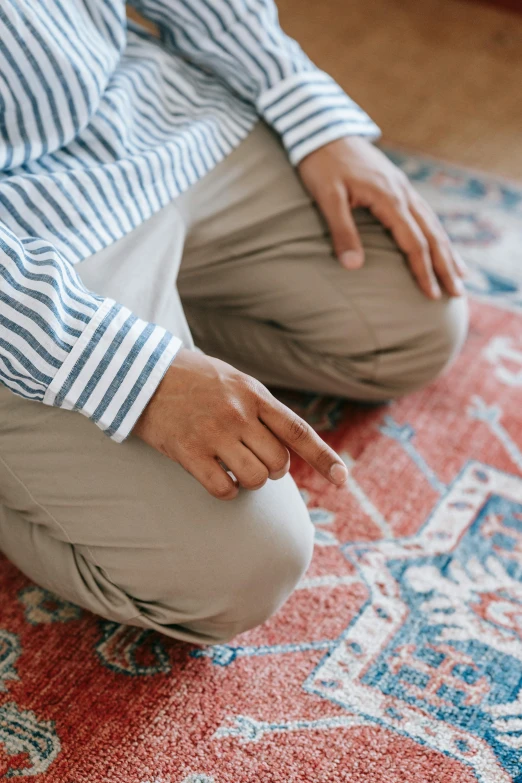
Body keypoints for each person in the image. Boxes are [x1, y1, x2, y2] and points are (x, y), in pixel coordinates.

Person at [0, 0, 468, 645]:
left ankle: (170, 329)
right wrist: (136, 371)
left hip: (142, 118)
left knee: (415, 325)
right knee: (237, 574)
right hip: (18, 252)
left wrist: (313, 116)